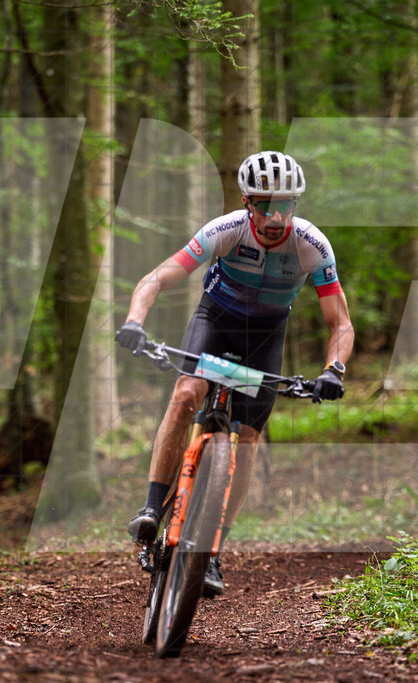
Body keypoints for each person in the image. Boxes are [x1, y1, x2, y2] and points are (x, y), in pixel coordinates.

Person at [115, 151, 353, 596]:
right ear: (247, 202)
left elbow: (340, 322)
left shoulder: (312, 245)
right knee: (186, 395)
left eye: (286, 204)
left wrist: (333, 370)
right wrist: (134, 322)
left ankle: (212, 552)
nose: (276, 216)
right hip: (216, 321)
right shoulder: (224, 231)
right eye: (265, 205)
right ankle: (150, 508)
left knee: (247, 440)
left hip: (265, 339)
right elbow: (157, 278)